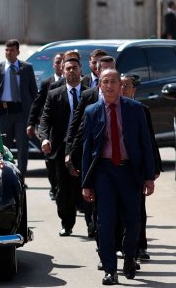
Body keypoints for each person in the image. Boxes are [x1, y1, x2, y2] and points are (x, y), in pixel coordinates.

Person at [81, 69, 155, 285]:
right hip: (104, 172)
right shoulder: (91, 112)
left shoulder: (135, 109)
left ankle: (129, 256)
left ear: (121, 86)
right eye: (106, 82)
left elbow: (145, 144)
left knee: (133, 220)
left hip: (129, 171)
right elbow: (87, 150)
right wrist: (86, 183)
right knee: (105, 222)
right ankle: (110, 270)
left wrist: (149, 176)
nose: (111, 85)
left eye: (114, 81)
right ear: (100, 86)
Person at [65, 55, 117, 239]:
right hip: (90, 154)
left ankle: (105, 231)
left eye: (113, 69)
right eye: (105, 69)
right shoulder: (88, 95)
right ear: (97, 71)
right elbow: (76, 124)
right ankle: (92, 224)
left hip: (113, 156)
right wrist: (69, 151)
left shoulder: (121, 96)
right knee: (90, 195)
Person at [39, 55, 87, 237]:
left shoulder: (89, 93)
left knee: (85, 185)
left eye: (75, 67)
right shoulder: (54, 94)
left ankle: (92, 224)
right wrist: (44, 138)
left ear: (81, 70)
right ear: (63, 71)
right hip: (60, 148)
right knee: (63, 189)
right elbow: (45, 120)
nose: (72, 71)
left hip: (83, 148)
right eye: (68, 68)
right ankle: (67, 223)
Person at [118, 73, 162, 262]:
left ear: (134, 89)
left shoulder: (142, 110)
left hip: (136, 168)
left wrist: (154, 167)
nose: (123, 89)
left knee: (138, 210)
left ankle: (141, 245)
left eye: (127, 85)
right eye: (121, 85)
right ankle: (120, 245)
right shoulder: (110, 108)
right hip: (116, 167)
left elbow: (149, 140)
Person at [0, 39, 37, 180]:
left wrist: (34, 116)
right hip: (4, 112)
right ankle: (5, 176)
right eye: (6, 50)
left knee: (22, 146)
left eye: (12, 50)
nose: (8, 52)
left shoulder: (26, 68)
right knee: (3, 147)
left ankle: (21, 177)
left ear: (18, 52)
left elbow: (33, 92)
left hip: (21, 112)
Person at [27, 53, 63, 200]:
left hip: (64, 128)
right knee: (50, 160)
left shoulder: (73, 83)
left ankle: (62, 189)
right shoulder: (47, 83)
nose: (60, 65)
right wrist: (31, 123)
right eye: (57, 62)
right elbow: (37, 104)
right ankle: (54, 187)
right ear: (54, 65)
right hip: (48, 128)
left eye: (62, 62)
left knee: (62, 160)